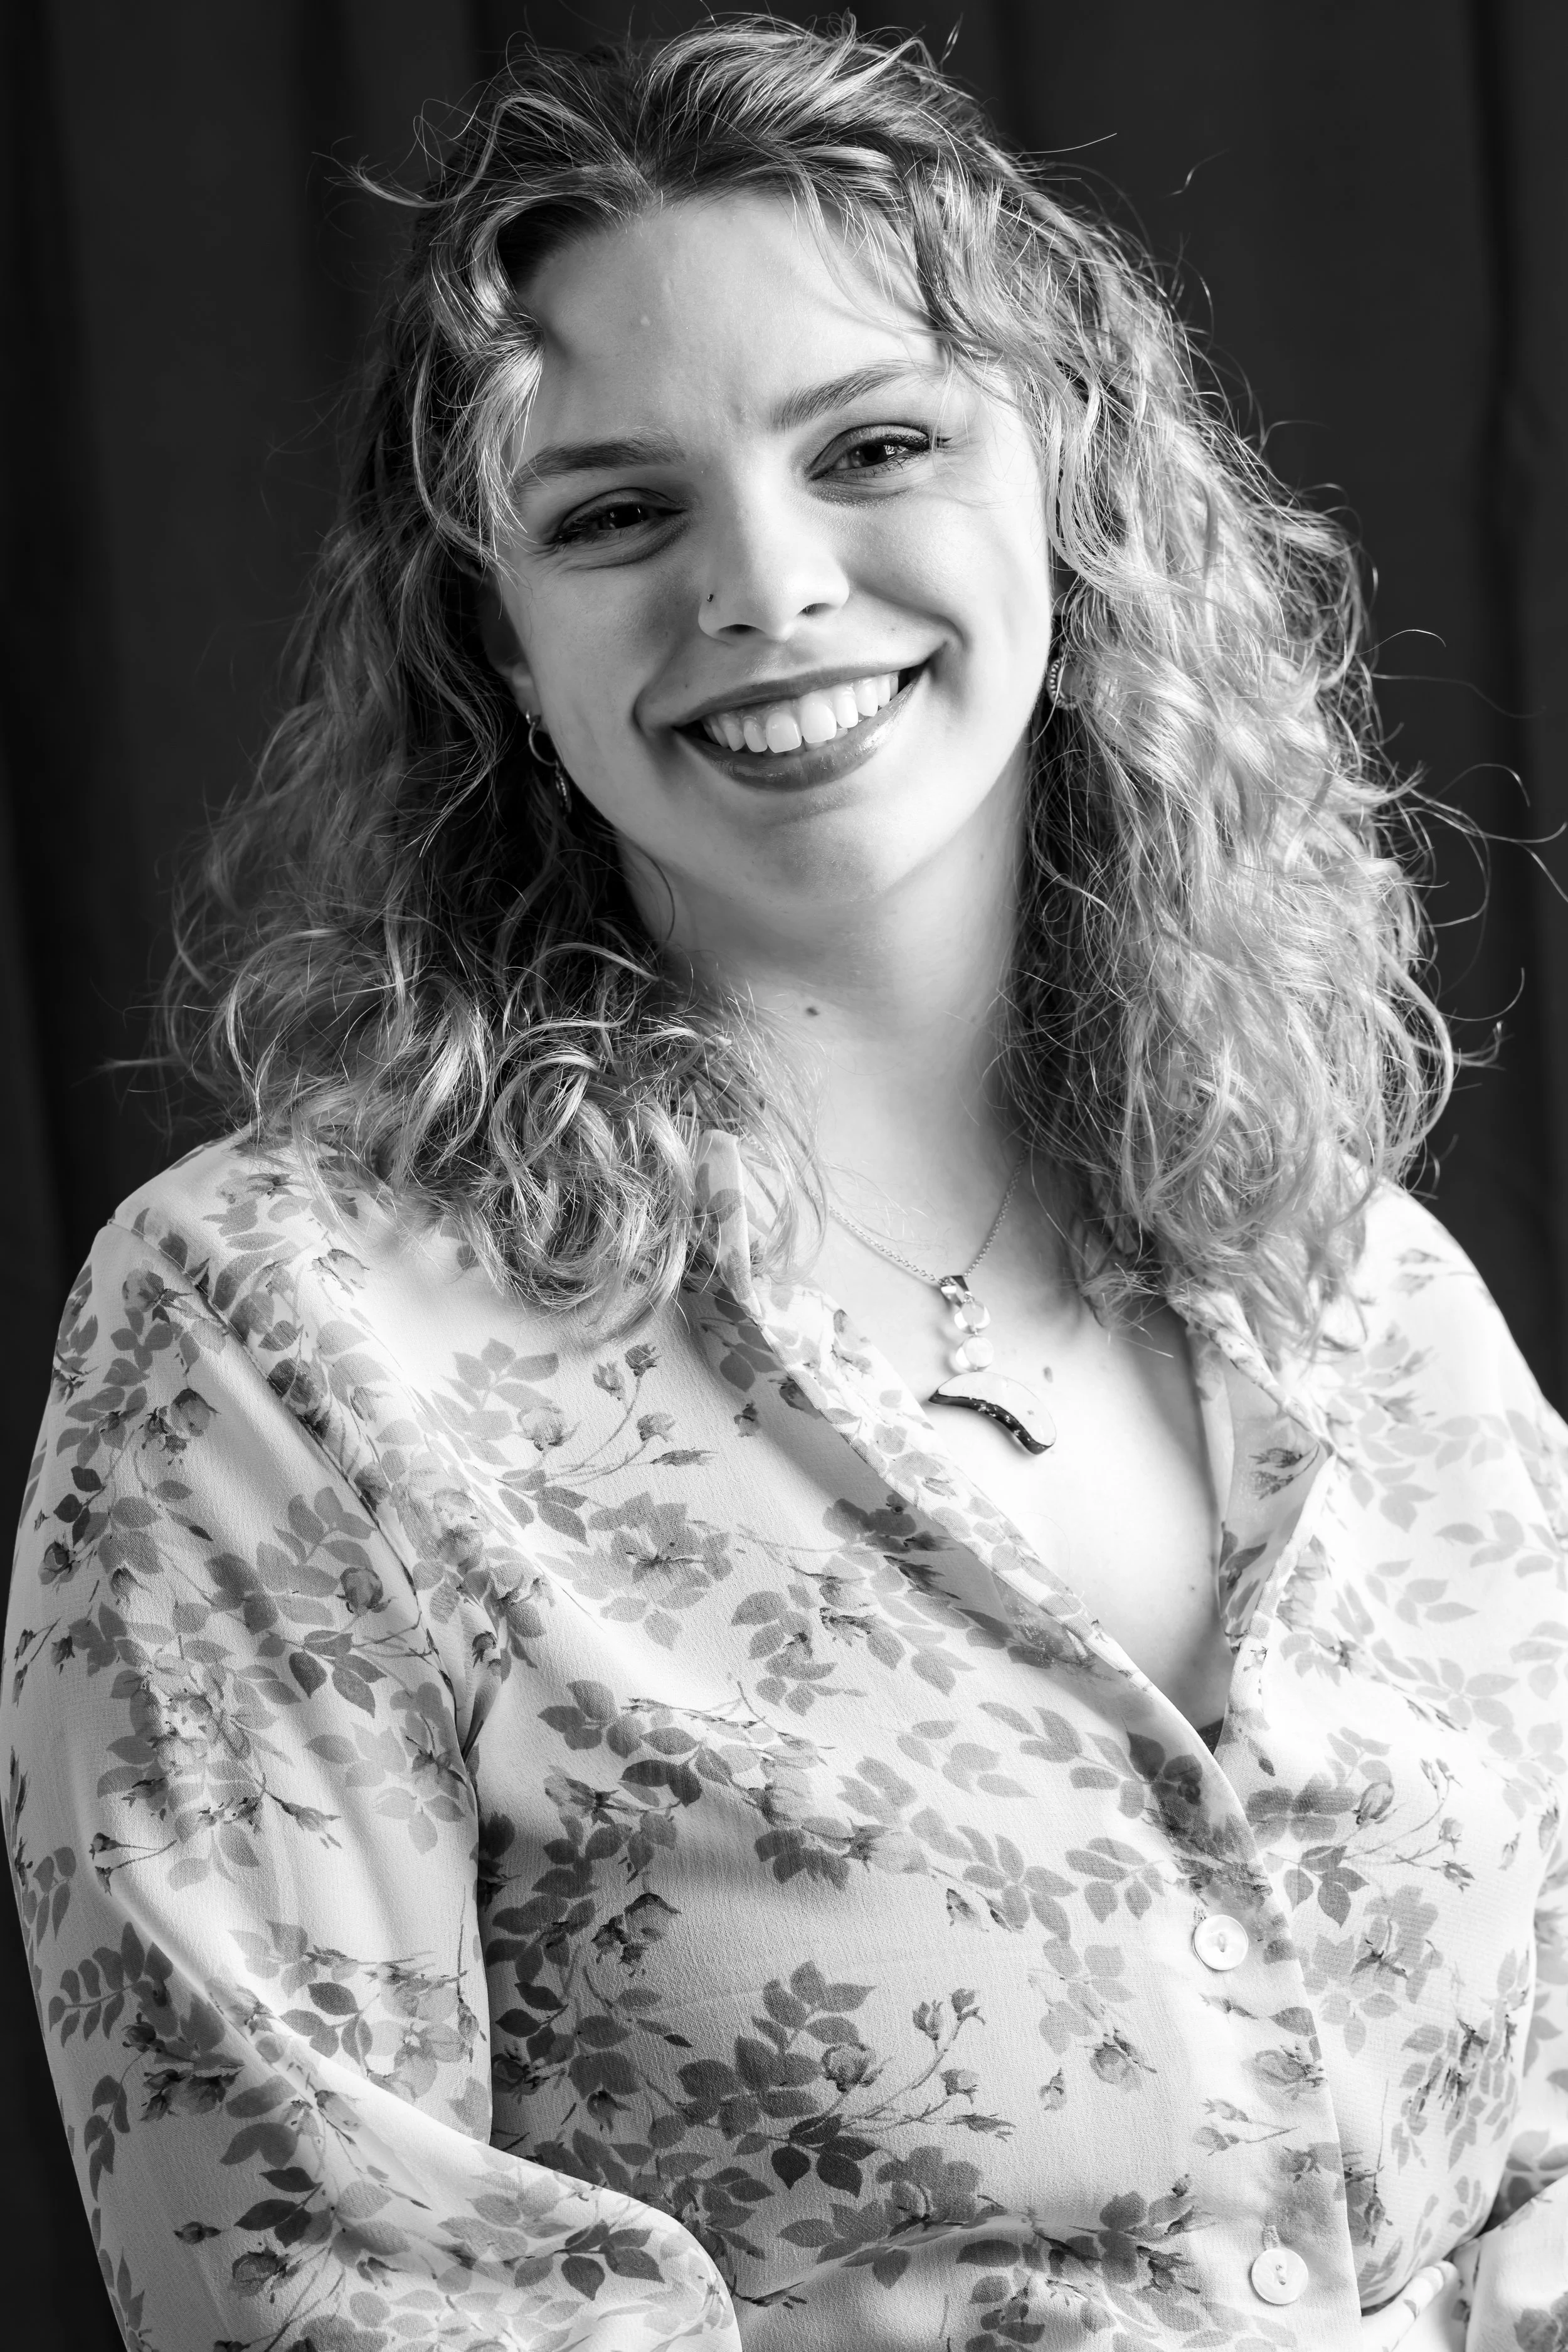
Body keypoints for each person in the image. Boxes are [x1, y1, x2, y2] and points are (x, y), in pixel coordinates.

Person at [5, 18, 1563, 2350]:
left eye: (876, 447)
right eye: (613, 512)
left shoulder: (1367, 1299)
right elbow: (319, 2298)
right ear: (498, 644)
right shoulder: (272, 1341)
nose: (765, 583)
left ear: (1070, 499)